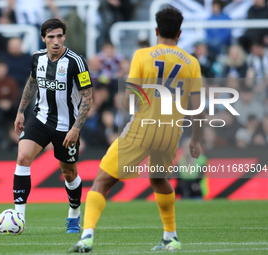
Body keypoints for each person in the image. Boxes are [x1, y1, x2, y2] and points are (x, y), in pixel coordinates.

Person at [69, 8, 205, 252]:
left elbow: (128, 99)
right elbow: (198, 107)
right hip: (170, 133)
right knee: (159, 179)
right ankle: (170, 236)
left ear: (156, 31)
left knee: (101, 182)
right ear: (180, 33)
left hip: (142, 129)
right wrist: (195, 140)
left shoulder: (143, 55)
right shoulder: (192, 63)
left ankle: (87, 236)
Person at [13, 19, 93, 233]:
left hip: (66, 126)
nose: (55, 41)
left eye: (59, 36)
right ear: (43, 39)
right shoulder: (37, 58)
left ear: (64, 36)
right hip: (39, 119)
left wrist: (76, 128)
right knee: (23, 157)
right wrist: (21, 111)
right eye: (51, 37)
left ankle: (74, 214)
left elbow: (87, 96)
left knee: (69, 174)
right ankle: (18, 217)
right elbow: (32, 82)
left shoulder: (77, 61)